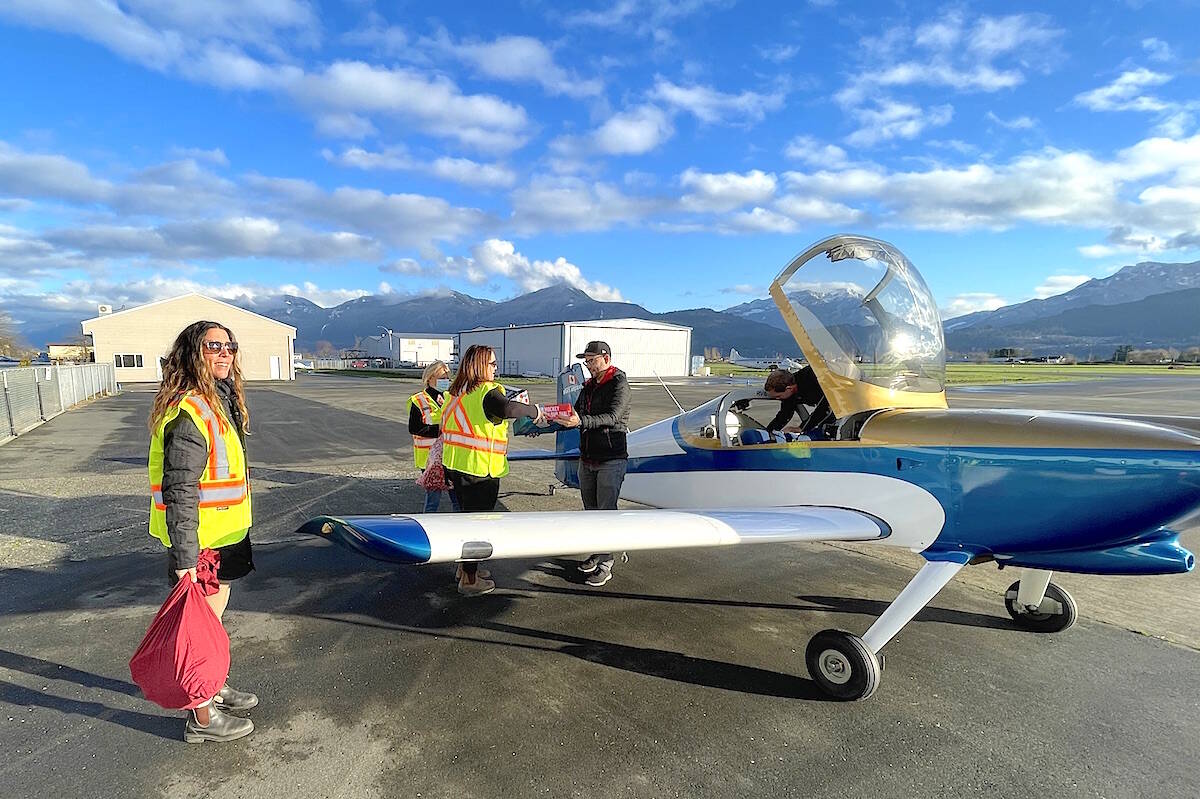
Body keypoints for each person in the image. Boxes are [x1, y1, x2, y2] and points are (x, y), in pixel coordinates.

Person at [147, 320, 257, 743]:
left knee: (213, 622)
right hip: (202, 543)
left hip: (225, 533)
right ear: (194, 353)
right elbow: (180, 489)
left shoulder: (220, 402)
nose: (225, 352)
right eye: (214, 346)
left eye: (229, 345)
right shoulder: (191, 413)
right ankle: (202, 716)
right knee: (198, 626)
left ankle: (214, 685)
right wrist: (185, 559)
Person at [441, 344, 545, 596]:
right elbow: (509, 409)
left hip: (456, 466)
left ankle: (465, 569)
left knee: (464, 522)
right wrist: (535, 411)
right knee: (476, 528)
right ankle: (470, 581)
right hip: (480, 471)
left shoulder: (456, 393)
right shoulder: (487, 392)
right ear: (479, 366)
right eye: (492, 364)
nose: (496, 368)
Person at [557, 341, 630, 587]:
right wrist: (548, 421)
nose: (587, 365)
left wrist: (580, 422)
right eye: (585, 361)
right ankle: (597, 553)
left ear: (605, 358)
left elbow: (613, 417)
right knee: (591, 512)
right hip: (587, 457)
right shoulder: (588, 386)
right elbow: (574, 412)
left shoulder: (619, 383)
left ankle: (606, 563)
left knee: (606, 512)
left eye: (591, 360)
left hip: (610, 457)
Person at [408, 360, 461, 513]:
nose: (445, 381)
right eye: (441, 378)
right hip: (428, 458)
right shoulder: (418, 400)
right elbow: (414, 428)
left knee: (456, 497)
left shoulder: (451, 397)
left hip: (449, 455)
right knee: (433, 498)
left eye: (447, 378)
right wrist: (439, 429)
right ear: (430, 378)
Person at [763, 366, 826, 433]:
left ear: (789, 388)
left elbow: (826, 407)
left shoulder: (813, 379)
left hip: (831, 388)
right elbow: (784, 414)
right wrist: (768, 432)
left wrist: (801, 428)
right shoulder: (788, 385)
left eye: (778, 396)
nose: (777, 399)